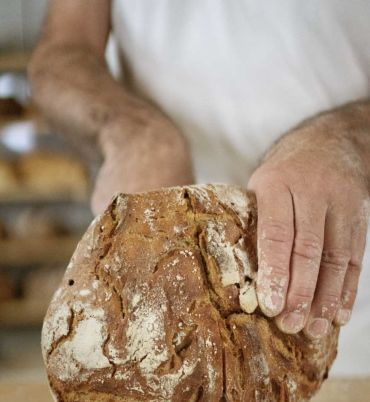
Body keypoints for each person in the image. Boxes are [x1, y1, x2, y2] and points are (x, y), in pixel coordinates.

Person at [29, 0, 369, 374]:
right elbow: (62, 53)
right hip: (157, 285)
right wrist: (128, 128)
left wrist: (348, 137)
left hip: (339, 284)